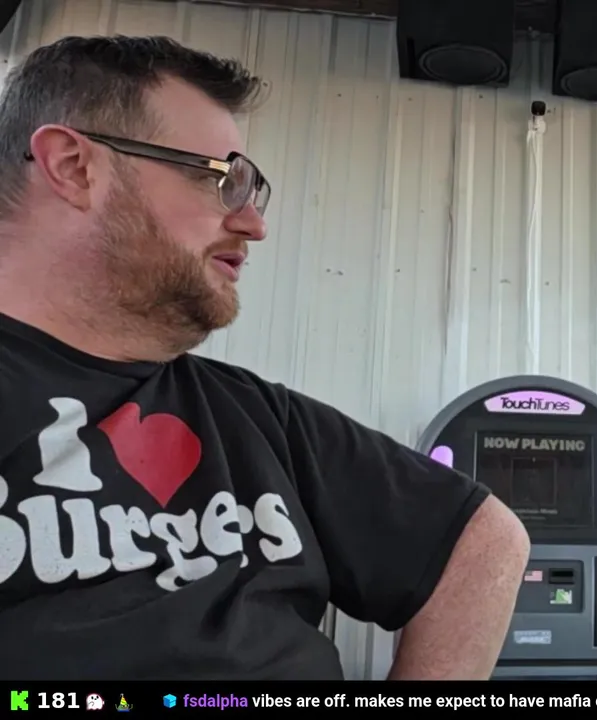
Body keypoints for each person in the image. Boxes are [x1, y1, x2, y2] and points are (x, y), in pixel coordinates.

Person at [0, 35, 530, 680]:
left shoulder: (254, 417)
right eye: (221, 180)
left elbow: (484, 541)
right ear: (73, 167)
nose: (254, 223)